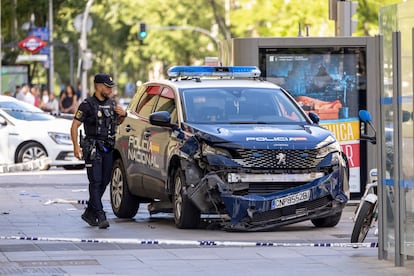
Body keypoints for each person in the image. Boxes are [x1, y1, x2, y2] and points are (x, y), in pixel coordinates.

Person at [70, 73, 126, 229]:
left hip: (108, 147)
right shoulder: (87, 105)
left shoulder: (112, 103)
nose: (110, 90)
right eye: (108, 87)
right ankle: (100, 214)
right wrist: (76, 146)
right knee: (95, 182)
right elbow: (74, 126)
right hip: (93, 148)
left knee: (105, 181)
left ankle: (89, 211)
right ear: (98, 86)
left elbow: (116, 122)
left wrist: (123, 115)